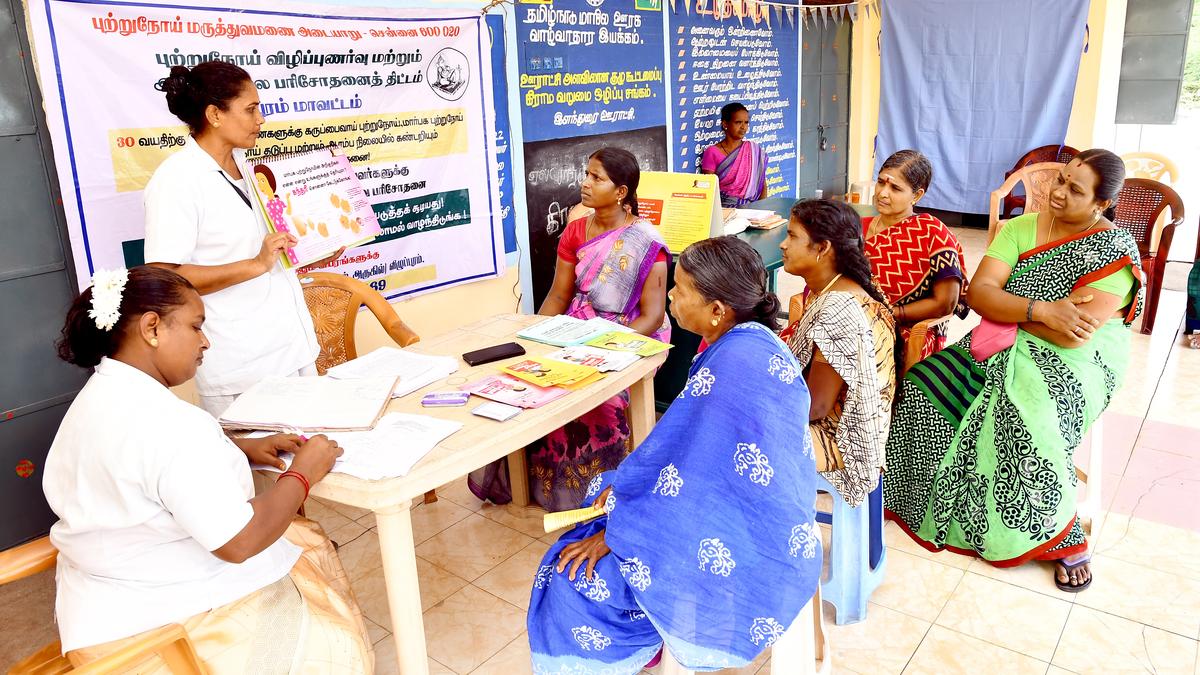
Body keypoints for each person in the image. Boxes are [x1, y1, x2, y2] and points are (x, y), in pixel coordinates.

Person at [44, 266, 373, 671]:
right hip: (161, 624)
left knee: (299, 541)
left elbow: (143, 470)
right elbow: (238, 542)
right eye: (196, 326)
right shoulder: (169, 424)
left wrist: (240, 449)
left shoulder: (99, 397)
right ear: (152, 328)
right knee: (334, 643)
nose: (206, 342)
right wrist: (303, 473)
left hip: (97, 611)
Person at [528, 237, 819, 673]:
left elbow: (695, 473)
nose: (669, 297)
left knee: (569, 578)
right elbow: (691, 457)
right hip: (754, 510)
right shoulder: (753, 343)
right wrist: (627, 496)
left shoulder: (734, 364)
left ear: (717, 309)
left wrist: (621, 531)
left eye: (680, 290)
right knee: (608, 495)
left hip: (744, 533)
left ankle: (644, 646)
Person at [884, 149, 1143, 592]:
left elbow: (1071, 336)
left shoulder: (1113, 253)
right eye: (1060, 180)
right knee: (924, 384)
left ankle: (1059, 533)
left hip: (1079, 361)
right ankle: (917, 492)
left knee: (1031, 409)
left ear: (1101, 204)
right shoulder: (1021, 228)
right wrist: (1040, 309)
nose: (1058, 192)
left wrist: (1010, 310)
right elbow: (979, 295)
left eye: (1075, 189)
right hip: (999, 338)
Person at [469, 148, 670, 510]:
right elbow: (559, 295)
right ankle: (542, 485)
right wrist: (534, 338)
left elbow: (653, 317)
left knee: (598, 399)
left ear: (621, 192)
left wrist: (603, 349)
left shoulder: (646, 241)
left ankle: (601, 492)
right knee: (532, 384)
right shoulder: (576, 231)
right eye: (586, 174)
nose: (585, 183)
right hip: (576, 330)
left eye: (597, 178)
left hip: (629, 334)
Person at [144, 61, 336, 417]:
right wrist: (255, 265)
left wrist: (311, 252)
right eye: (250, 109)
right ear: (215, 114)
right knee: (261, 454)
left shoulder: (246, 166)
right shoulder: (176, 181)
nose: (261, 119)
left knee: (311, 445)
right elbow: (164, 276)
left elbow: (265, 248)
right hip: (241, 364)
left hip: (292, 348)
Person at [778, 199, 896, 508]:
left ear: (822, 248)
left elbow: (817, 407)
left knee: (731, 439)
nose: (783, 245)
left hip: (841, 439)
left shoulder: (838, 309)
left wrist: (761, 414)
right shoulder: (847, 289)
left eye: (792, 236)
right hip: (853, 429)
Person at [862, 150, 968, 359]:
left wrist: (890, 314)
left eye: (895, 188)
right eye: (881, 182)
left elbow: (946, 302)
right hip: (853, 318)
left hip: (906, 329)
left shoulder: (932, 232)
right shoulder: (857, 228)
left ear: (917, 195)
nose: (882, 193)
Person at [700, 102, 769, 208]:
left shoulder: (753, 151)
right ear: (725, 124)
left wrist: (761, 209)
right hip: (724, 211)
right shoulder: (712, 152)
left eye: (746, 122)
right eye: (738, 122)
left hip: (753, 211)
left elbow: (762, 184)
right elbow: (709, 190)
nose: (743, 127)